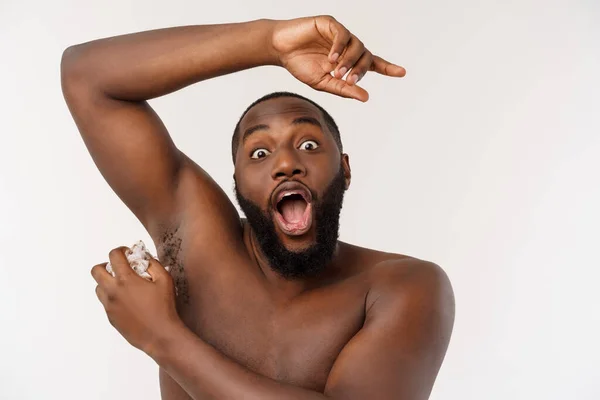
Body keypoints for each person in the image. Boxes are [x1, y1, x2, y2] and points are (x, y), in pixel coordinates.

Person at [61, 15, 455, 400]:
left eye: (308, 145)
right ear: (237, 182)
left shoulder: (404, 287)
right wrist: (268, 42)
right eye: (260, 152)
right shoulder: (198, 243)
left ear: (345, 169)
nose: (285, 164)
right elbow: (86, 77)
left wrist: (163, 338)